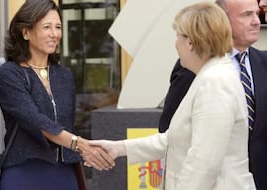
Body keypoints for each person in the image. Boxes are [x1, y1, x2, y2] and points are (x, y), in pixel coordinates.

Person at [90, 2, 256, 190]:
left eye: (177, 36)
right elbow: (176, 138)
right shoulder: (209, 76)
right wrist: (118, 148)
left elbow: (204, 163)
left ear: (191, 42)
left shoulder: (215, 82)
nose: (175, 44)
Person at [0, 0, 115, 189]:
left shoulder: (63, 75)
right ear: (25, 32)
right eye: (46, 27)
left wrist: (84, 149)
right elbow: (35, 119)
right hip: (24, 172)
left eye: (58, 27)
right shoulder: (10, 73)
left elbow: (68, 124)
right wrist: (80, 145)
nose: (55, 34)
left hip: (64, 172)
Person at [159, 0, 267, 188]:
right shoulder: (193, 66)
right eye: (246, 15)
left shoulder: (264, 63)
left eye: (256, 14)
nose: (256, 21)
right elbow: (171, 130)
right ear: (222, 20)